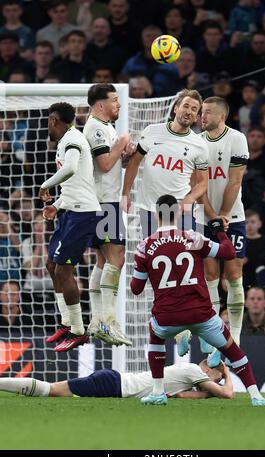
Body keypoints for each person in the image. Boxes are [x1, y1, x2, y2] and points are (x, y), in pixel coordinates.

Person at [130, 194, 265, 406]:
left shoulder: (144, 247)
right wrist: (220, 233)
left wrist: (147, 271)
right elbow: (229, 252)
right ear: (178, 212)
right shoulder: (192, 237)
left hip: (168, 316)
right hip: (201, 314)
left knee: (155, 334)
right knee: (233, 350)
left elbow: (135, 289)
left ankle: (159, 392)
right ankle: (256, 396)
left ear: (155, 215)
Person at [182, 96, 249, 368]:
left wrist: (223, 215)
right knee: (209, 276)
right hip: (202, 217)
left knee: (233, 276)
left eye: (207, 112)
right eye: (201, 112)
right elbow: (196, 183)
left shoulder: (237, 139)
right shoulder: (195, 142)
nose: (201, 117)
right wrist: (211, 215)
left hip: (233, 216)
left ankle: (235, 338)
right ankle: (213, 338)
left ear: (221, 116)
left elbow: (235, 182)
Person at [39, 102, 101, 352]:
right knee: (51, 265)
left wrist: (45, 185)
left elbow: (71, 168)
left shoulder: (72, 138)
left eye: (48, 122)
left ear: (54, 120)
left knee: (64, 270)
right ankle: (66, 321)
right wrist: (58, 204)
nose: (48, 127)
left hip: (82, 214)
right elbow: (76, 182)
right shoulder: (69, 138)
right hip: (70, 210)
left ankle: (78, 329)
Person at [83, 84, 134, 346]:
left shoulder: (104, 127)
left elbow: (110, 164)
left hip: (103, 201)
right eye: (114, 101)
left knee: (103, 261)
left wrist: (124, 156)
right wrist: (123, 143)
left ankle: (97, 320)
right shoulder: (96, 128)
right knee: (117, 257)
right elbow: (104, 164)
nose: (119, 105)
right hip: (104, 203)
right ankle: (108, 320)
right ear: (100, 104)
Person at [122, 88, 209, 238]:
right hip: (149, 208)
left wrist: (188, 200)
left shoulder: (199, 145)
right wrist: (125, 193)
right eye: (186, 106)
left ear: (196, 117)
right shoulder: (151, 131)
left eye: (194, 109)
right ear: (176, 108)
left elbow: (202, 183)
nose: (189, 111)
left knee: (183, 257)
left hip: (180, 211)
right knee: (153, 257)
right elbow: (134, 163)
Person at [0, 360, 233, 400]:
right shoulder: (193, 370)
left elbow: (183, 396)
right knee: (51, 391)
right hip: (113, 384)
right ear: (209, 370)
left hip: (115, 382)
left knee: (54, 391)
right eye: (219, 377)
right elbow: (227, 394)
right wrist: (229, 374)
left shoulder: (189, 375)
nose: (218, 382)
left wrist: (205, 393)